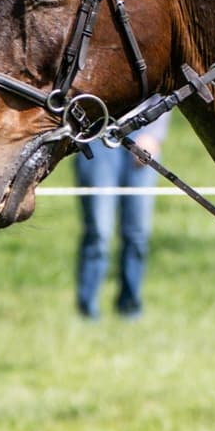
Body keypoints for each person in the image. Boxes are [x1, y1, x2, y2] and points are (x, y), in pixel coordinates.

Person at [75, 111, 169, 319]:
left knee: (138, 232)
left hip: (144, 132)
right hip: (97, 133)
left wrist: (153, 134)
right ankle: (87, 311)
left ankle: (130, 308)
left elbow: (165, 87)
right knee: (99, 231)